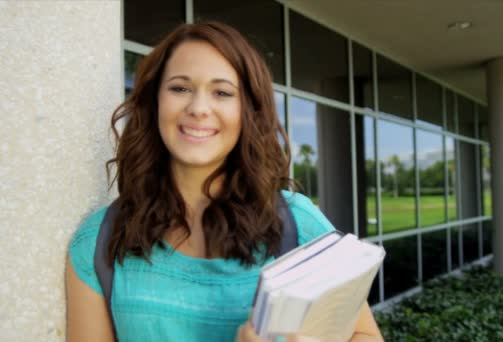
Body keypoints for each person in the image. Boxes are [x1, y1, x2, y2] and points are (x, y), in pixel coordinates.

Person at [65, 21, 384, 342]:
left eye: (222, 92)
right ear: (154, 102)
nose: (199, 108)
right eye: (179, 88)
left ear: (247, 111)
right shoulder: (99, 241)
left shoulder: (298, 225)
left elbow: (365, 336)